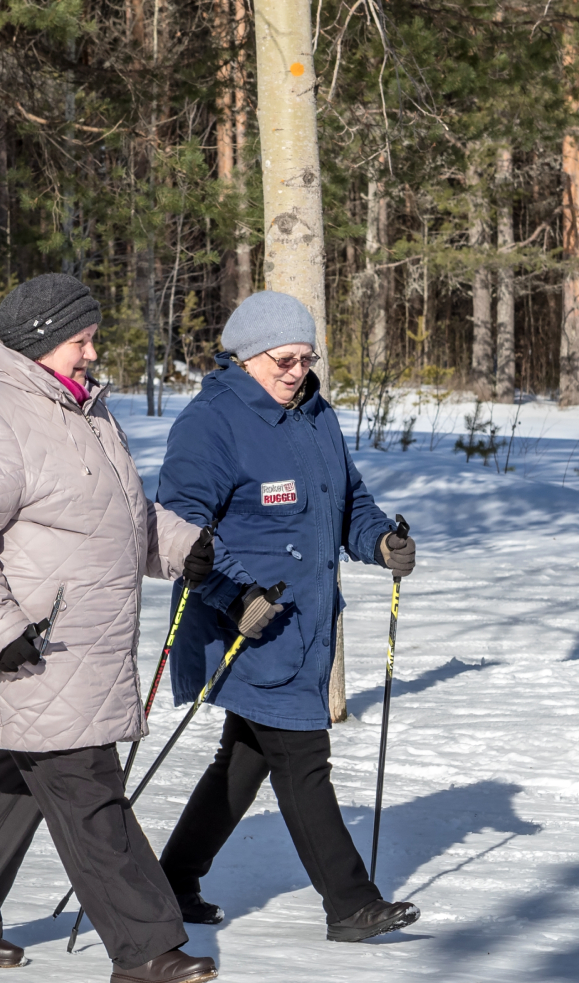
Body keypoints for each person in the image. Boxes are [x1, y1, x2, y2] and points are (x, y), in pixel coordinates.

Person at [0, 272, 222, 983]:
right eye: (79, 340)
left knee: (18, 784)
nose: (91, 352)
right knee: (89, 793)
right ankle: (147, 949)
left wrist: (177, 546)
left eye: (91, 338)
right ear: (35, 343)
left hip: (80, 641)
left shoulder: (77, 408)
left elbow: (112, 514)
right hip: (32, 649)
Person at [155, 290, 421, 943]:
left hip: (305, 626)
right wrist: (233, 595)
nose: (296, 371)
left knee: (245, 757)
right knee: (303, 756)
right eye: (282, 360)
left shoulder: (314, 415)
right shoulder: (211, 423)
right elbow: (178, 531)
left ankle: (169, 884)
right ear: (244, 356)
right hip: (243, 626)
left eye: (305, 359)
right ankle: (351, 903)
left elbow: (348, 500)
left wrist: (381, 540)